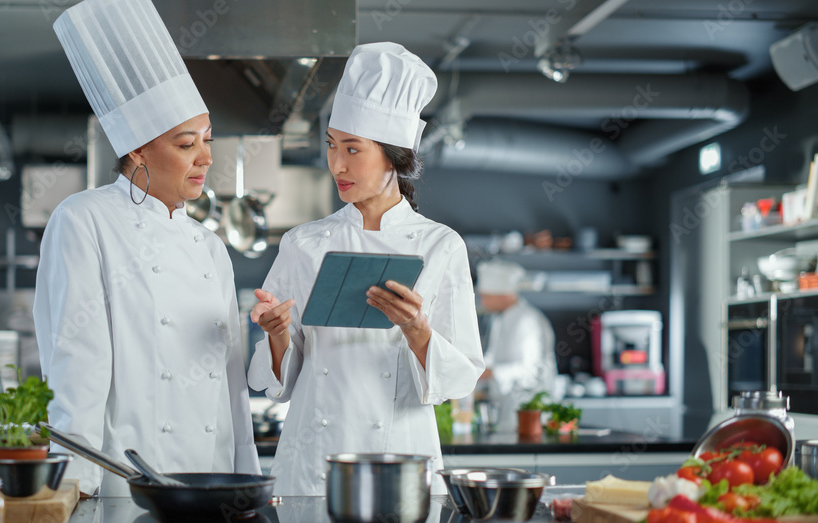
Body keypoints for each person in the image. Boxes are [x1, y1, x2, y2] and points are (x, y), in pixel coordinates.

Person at [34, 0, 259, 497]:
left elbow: (231, 385)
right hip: (128, 489)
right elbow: (77, 368)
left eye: (207, 139)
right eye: (185, 144)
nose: (206, 157)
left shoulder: (210, 247)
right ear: (137, 149)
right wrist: (76, 490)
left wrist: (247, 482)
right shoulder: (83, 220)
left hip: (212, 487)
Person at [247, 42, 484, 496]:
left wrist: (417, 331)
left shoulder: (440, 246)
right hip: (313, 463)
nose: (336, 164)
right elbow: (278, 383)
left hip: (401, 458)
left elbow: (462, 375)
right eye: (332, 146)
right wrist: (276, 334)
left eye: (353, 149)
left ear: (394, 157)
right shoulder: (303, 243)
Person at [474, 260, 557, 432]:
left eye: (487, 297)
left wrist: (492, 372)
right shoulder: (499, 319)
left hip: (532, 413)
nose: (483, 302)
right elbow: (491, 358)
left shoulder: (528, 320)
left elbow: (532, 370)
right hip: (506, 411)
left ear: (505, 295)